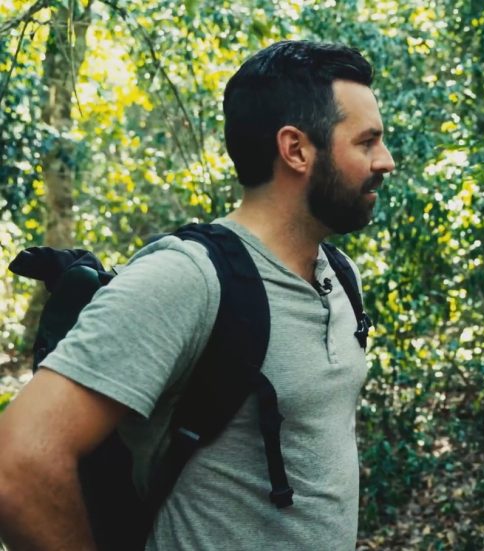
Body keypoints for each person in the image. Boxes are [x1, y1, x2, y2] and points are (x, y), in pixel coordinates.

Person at [0, 40, 394, 549]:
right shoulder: (187, 279)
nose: (385, 161)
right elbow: (17, 462)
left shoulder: (339, 275)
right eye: (366, 142)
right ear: (296, 149)